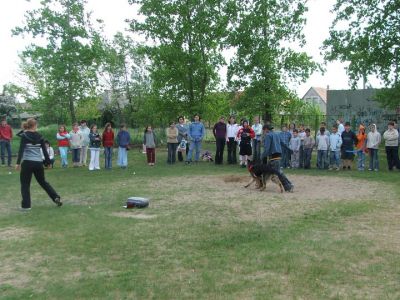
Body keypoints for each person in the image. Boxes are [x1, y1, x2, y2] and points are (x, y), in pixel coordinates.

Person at [15, 118, 62, 210]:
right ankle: (55, 197)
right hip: (38, 163)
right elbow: (45, 151)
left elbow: (21, 149)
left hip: (27, 163)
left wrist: (18, 163)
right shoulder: (40, 136)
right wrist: (48, 162)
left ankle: (26, 206)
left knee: (25, 184)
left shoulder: (24, 135)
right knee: (43, 182)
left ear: (28, 125)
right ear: (35, 125)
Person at [261, 124, 294, 192]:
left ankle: (289, 186)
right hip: (278, 155)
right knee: (268, 171)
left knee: (278, 172)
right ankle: (262, 184)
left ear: (266, 129)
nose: (263, 132)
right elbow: (283, 143)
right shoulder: (277, 134)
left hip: (273, 156)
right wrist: (289, 149)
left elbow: (267, 149)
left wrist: (261, 156)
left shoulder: (268, 135)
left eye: (263, 130)